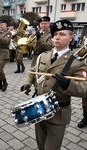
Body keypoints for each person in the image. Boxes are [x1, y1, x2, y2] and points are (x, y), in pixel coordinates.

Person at [21, 19, 87, 150]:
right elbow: (33, 71)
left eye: (62, 34)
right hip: (39, 109)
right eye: (55, 34)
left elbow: (84, 89)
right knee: (41, 145)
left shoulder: (77, 62)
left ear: (71, 37)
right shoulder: (43, 56)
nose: (57, 37)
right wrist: (27, 83)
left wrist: (68, 84)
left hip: (58, 112)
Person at [0, 20, 12, 91]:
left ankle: (5, 82)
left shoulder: (8, 33)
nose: (0, 26)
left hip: (4, 53)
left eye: (2, 25)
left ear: (6, 25)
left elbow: (5, 41)